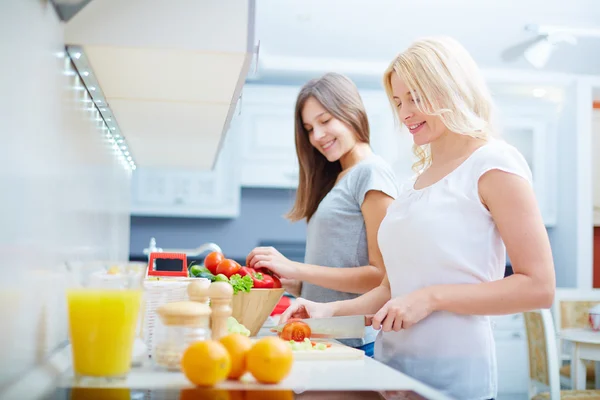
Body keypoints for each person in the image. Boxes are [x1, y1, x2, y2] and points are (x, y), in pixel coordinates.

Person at [277, 37, 556, 400]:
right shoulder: (413, 183)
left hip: (452, 381)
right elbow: (391, 289)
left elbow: (539, 287)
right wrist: (325, 310)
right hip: (391, 376)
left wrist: (432, 298)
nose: (405, 113)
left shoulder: (494, 164)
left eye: (416, 97)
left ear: (451, 89)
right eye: (398, 101)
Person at [245, 72, 399, 357]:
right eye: (309, 128)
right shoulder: (342, 178)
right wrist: (298, 282)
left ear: (350, 111)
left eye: (325, 121)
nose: (317, 136)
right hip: (325, 337)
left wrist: (297, 268)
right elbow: (342, 263)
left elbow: (381, 277)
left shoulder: (371, 172)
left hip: (353, 342)